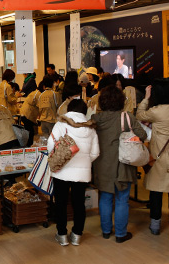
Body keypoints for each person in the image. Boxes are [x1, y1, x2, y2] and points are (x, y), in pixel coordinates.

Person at [91, 86, 147, 243]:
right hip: (124, 163)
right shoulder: (127, 117)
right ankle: (121, 234)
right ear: (121, 101)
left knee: (106, 197)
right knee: (122, 199)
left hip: (102, 164)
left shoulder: (96, 119)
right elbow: (142, 135)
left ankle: (106, 231)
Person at [136, 78, 169, 238]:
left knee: (155, 191)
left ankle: (155, 224)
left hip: (158, 155)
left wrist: (146, 98)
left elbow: (139, 114)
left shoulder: (156, 111)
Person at [48, 99, 99, 246]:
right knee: (79, 203)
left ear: (69, 110)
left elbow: (51, 145)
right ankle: (77, 235)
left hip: (61, 171)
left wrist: (61, 158)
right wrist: (84, 162)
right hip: (82, 174)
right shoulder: (91, 129)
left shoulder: (60, 125)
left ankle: (62, 235)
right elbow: (96, 153)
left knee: (61, 203)